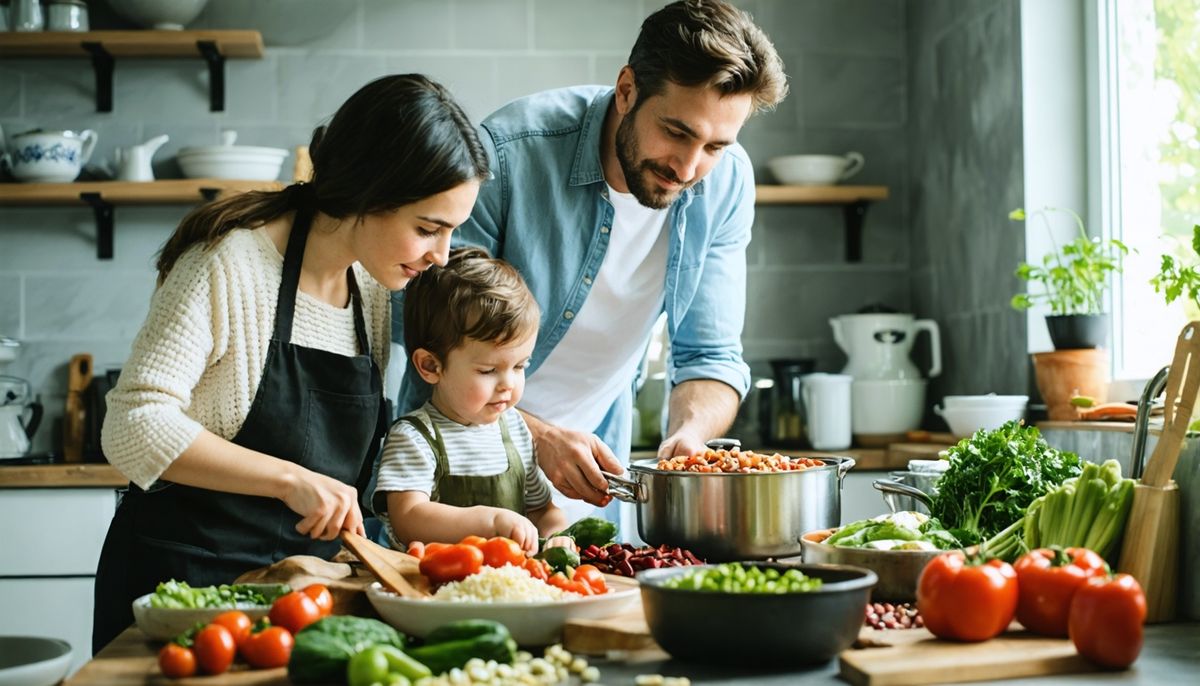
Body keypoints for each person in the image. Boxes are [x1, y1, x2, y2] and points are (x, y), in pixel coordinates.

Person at [92, 74, 489, 652]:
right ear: (366, 195)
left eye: (450, 232)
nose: (440, 255)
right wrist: (290, 481)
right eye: (428, 229)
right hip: (183, 594)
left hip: (300, 594)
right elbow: (131, 426)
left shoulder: (370, 286)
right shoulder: (229, 263)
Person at [392, 0, 788, 510]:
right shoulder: (509, 153)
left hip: (596, 474)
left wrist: (689, 437)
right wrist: (536, 436)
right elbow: (423, 330)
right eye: (676, 132)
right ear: (627, 90)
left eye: (715, 146)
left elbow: (709, 356)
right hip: (453, 473)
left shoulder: (728, 181)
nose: (689, 168)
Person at [371, 247, 567, 553]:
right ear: (431, 366)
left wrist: (558, 534)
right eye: (489, 370)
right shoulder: (414, 437)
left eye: (520, 366)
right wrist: (490, 523)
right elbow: (408, 517)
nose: (508, 384)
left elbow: (543, 511)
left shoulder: (514, 429)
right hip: (434, 588)